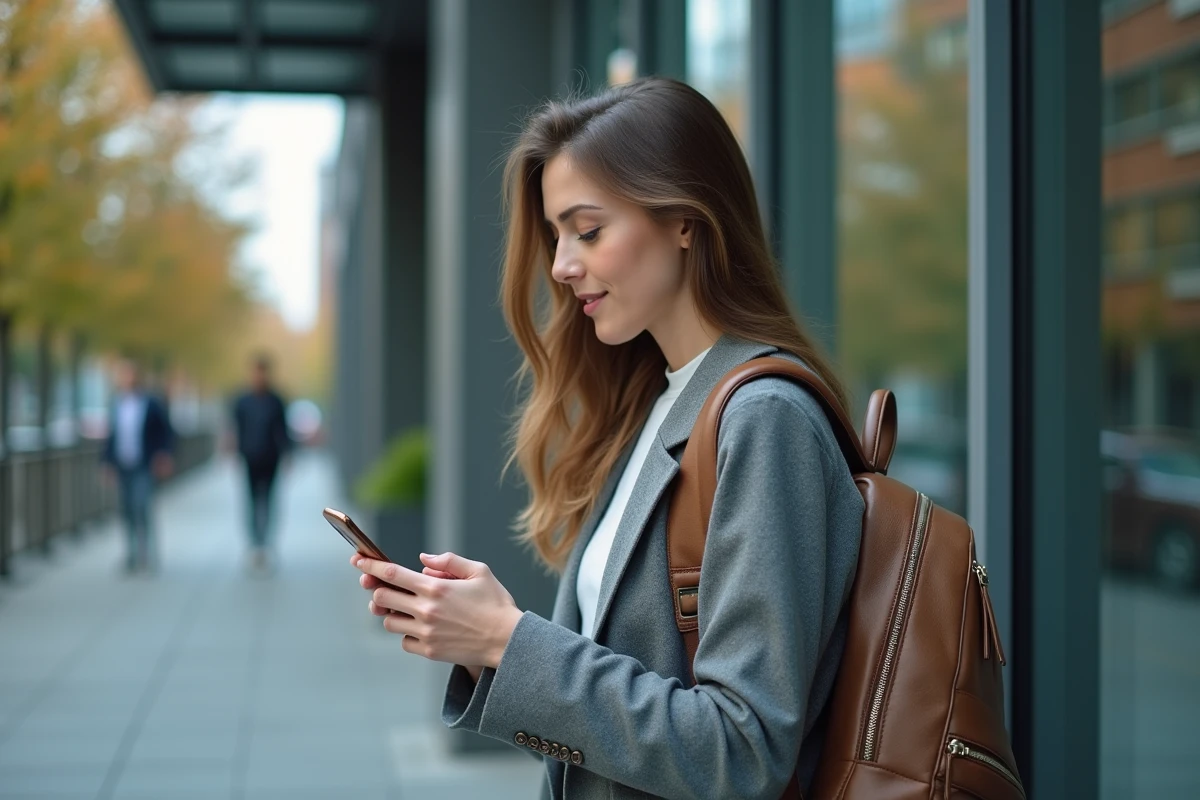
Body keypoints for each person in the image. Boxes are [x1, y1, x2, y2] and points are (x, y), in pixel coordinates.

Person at [350, 77, 865, 799]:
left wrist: (509, 639)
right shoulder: (656, 406)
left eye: (587, 230)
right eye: (558, 235)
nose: (561, 265)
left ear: (685, 219)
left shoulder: (763, 418)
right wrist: (489, 643)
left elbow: (742, 752)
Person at [101, 359, 174, 574]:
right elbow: (111, 436)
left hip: (144, 464)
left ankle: (147, 554)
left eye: (130, 375)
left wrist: (164, 455)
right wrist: (106, 462)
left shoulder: (151, 403)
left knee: (142, 507)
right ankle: (130, 554)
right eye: (123, 375)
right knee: (126, 511)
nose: (126, 379)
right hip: (122, 464)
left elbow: (166, 432)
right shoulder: (116, 403)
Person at [231, 354, 291, 569]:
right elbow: (235, 429)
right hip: (249, 458)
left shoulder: (275, 401)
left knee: (268, 501)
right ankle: (254, 544)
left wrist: (287, 455)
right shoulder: (243, 401)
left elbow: (283, 431)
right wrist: (233, 452)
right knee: (251, 502)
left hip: (270, 459)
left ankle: (266, 544)